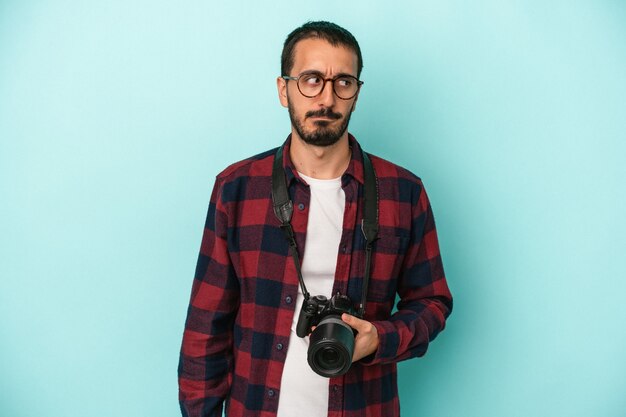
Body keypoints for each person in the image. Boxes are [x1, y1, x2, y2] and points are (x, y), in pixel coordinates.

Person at [178, 21, 453, 417]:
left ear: (356, 93)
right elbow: (206, 325)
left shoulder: (403, 192)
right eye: (311, 80)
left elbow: (432, 301)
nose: (326, 98)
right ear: (283, 89)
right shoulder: (237, 188)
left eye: (343, 82)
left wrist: (379, 337)